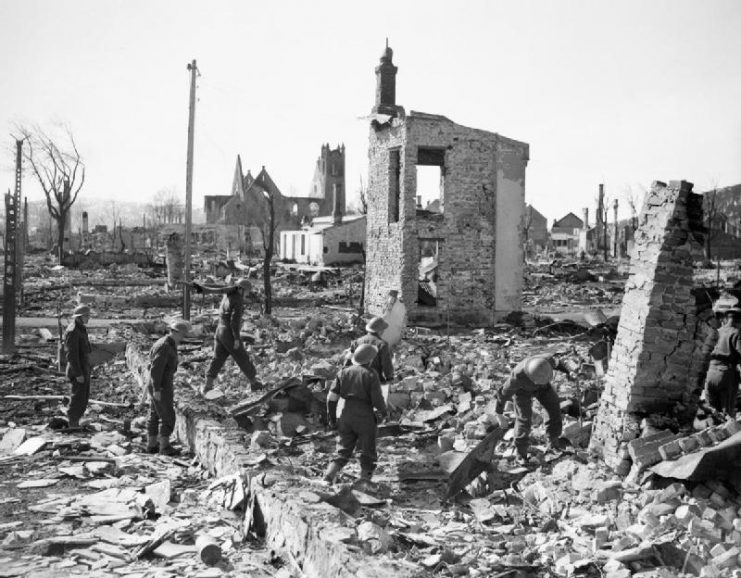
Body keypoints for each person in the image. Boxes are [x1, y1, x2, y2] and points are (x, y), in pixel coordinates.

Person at [324, 344, 388, 483]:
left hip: (346, 415)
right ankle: (364, 484)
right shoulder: (371, 374)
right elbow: (377, 399)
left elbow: (331, 398)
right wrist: (383, 414)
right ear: (370, 360)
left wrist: (332, 419)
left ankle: (327, 478)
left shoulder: (343, 372)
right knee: (367, 453)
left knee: (342, 451)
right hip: (365, 417)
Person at [494, 354, 570, 465]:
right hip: (522, 392)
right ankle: (521, 454)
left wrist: (569, 373)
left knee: (554, 408)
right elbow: (502, 395)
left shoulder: (547, 360)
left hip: (544, 387)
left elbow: (559, 364)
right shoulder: (517, 378)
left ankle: (553, 443)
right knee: (524, 420)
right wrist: (499, 414)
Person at [194, 277, 262, 395]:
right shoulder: (237, 300)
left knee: (217, 358)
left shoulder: (227, 296)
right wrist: (236, 338)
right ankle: (254, 383)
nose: (247, 294)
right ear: (242, 290)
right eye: (247, 291)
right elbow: (234, 321)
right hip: (229, 332)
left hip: (219, 330)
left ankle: (207, 386)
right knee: (242, 357)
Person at [146, 319, 191, 455]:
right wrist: (157, 389)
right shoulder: (165, 346)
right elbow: (156, 369)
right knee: (168, 416)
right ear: (176, 332)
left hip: (159, 384)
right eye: (182, 335)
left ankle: (152, 445)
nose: (183, 338)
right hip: (161, 386)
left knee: (154, 414)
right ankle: (164, 447)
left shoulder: (168, 343)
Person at [703, 307, 741, 415]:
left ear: (726, 319)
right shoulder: (736, 333)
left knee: (713, 413)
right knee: (726, 414)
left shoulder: (717, 331)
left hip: (710, 374)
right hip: (725, 374)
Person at [64, 305, 93, 428]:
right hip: (78, 370)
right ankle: (73, 422)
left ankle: (76, 420)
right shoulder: (73, 331)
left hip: (84, 368)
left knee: (83, 397)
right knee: (78, 397)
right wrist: (78, 374)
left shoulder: (81, 329)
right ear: (80, 317)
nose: (89, 318)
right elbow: (72, 355)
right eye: (87, 316)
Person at [348, 316, 394, 383]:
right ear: (379, 330)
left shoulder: (357, 342)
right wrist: (389, 378)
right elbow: (386, 365)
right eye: (383, 329)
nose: (384, 331)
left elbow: (349, 360)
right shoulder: (382, 344)